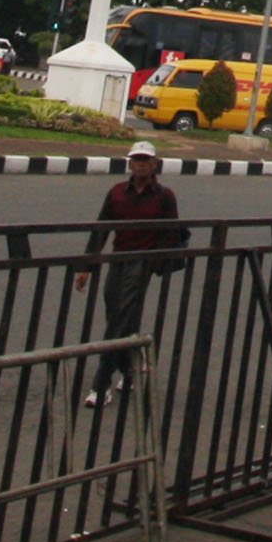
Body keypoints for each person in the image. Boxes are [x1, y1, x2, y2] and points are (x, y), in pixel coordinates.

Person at [70, 142, 182, 406]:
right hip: (118, 259)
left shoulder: (164, 196)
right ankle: (131, 368)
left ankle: (100, 385)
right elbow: (101, 228)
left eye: (146, 160)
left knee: (120, 319)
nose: (141, 164)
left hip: (141, 262)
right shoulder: (118, 193)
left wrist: (155, 263)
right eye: (137, 160)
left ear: (155, 164)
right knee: (117, 315)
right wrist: (86, 265)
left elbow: (171, 232)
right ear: (130, 163)